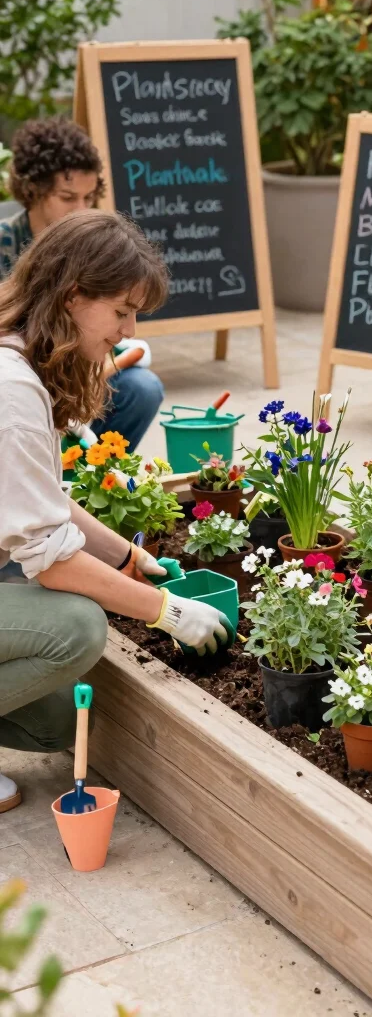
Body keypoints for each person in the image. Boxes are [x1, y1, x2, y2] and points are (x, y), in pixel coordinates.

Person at [0, 211, 232, 813]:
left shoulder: (28, 360)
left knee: (61, 721)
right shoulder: (10, 390)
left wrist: (127, 556)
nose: (129, 331)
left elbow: (45, 505)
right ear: (74, 295)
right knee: (77, 629)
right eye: (123, 311)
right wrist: (167, 611)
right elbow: (51, 563)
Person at [0, 117, 164, 450]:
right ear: (35, 191)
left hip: (78, 363)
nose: (81, 209)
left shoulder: (94, 246)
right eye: (67, 197)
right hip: (27, 367)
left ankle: (95, 475)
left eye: (89, 198)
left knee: (142, 388)